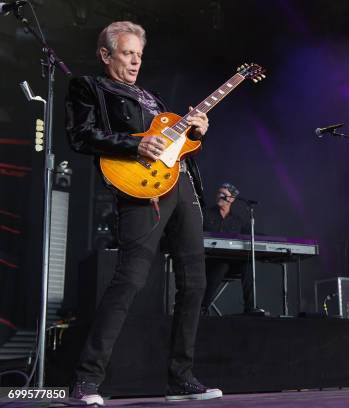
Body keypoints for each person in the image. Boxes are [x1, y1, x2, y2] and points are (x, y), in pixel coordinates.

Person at [65, 21, 221, 404]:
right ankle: (86, 382)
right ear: (106, 55)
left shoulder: (152, 98)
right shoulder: (90, 87)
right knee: (130, 280)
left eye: (139, 55)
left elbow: (176, 146)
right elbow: (80, 135)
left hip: (182, 187)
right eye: (127, 53)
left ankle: (180, 378)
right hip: (140, 190)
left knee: (195, 284)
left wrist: (196, 132)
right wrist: (133, 146)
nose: (135, 61)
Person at [201, 183, 259, 314]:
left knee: (248, 264)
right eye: (218, 193)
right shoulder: (205, 214)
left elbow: (252, 235)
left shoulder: (237, 220)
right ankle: (203, 307)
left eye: (224, 194)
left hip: (231, 264)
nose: (220, 196)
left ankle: (250, 308)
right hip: (209, 262)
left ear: (232, 199)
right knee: (221, 265)